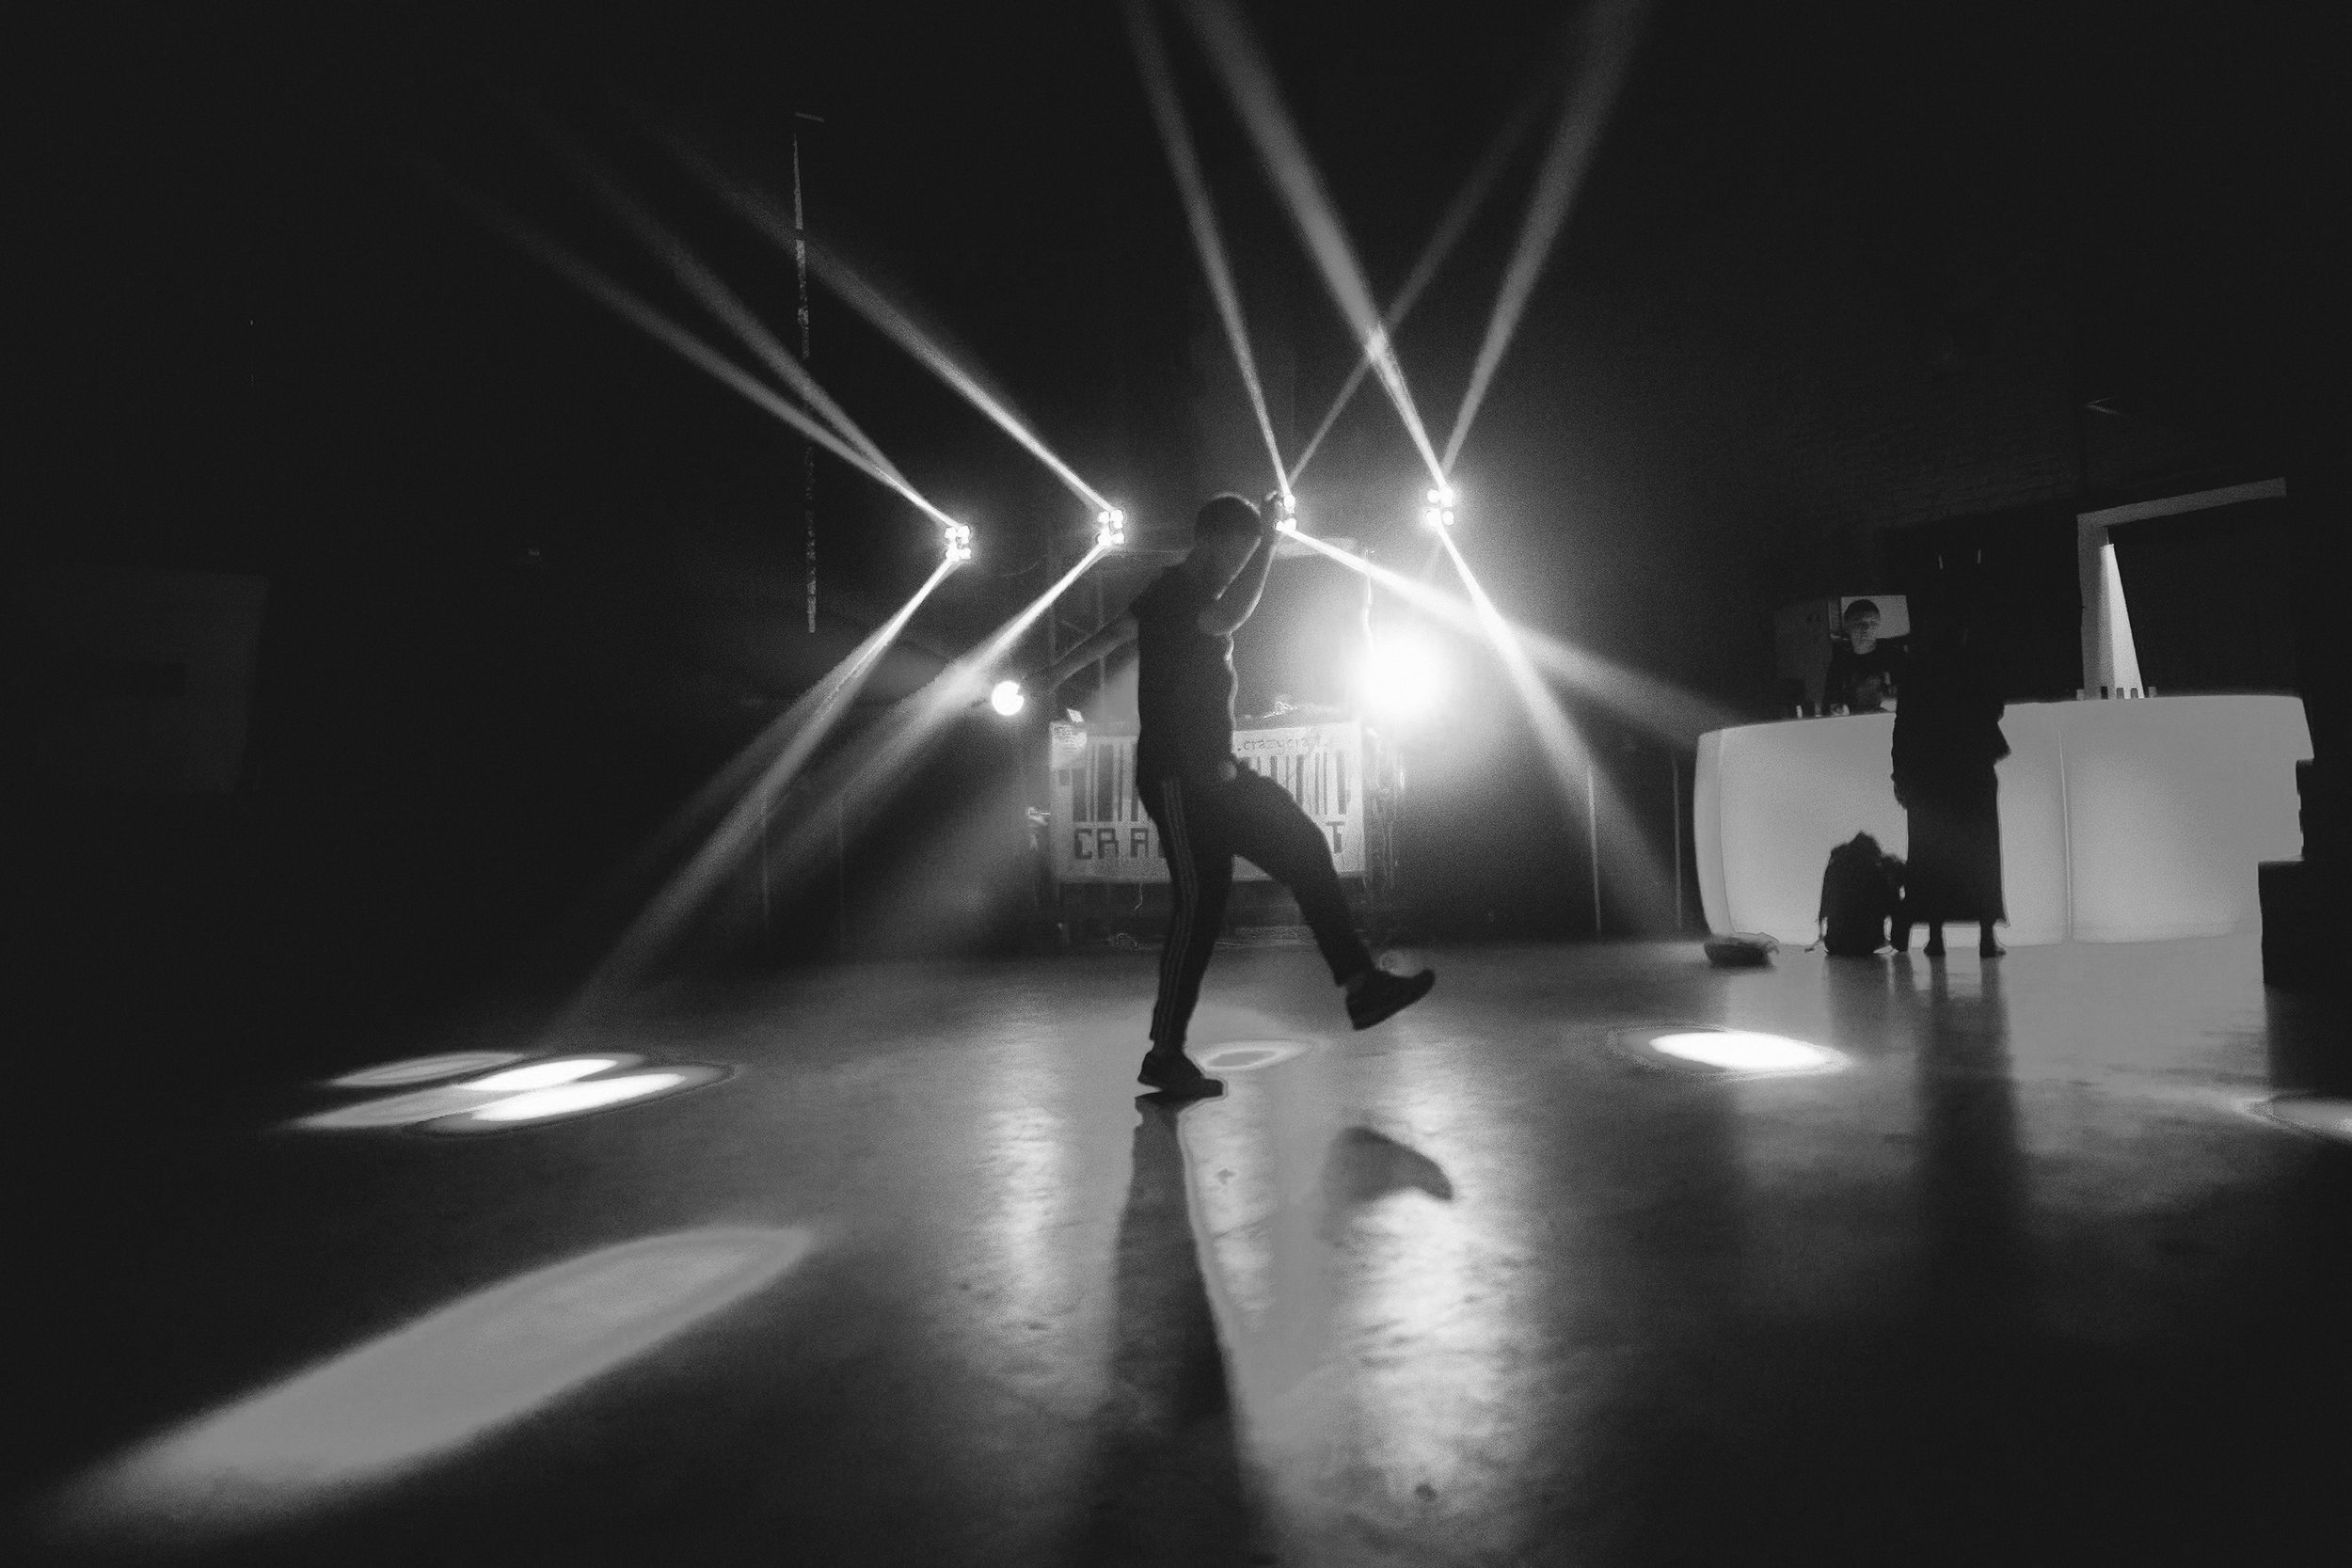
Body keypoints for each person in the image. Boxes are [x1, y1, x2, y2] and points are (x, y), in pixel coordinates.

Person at [1036, 493, 1435, 1098]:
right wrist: (1271, 542)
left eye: (1249, 555)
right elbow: (1219, 622)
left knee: (1302, 844)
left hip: (1217, 772)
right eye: (1238, 555)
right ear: (1214, 542)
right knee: (1199, 907)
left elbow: (1109, 635)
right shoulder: (1178, 594)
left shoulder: (1170, 595)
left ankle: (1361, 985)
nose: (1238, 567)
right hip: (1175, 776)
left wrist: (1057, 670)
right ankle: (1165, 1054)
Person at [1889, 595, 2007, 958]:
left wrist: (1900, 774)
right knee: (1979, 852)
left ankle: (1935, 936)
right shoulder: (1975, 661)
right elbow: (1995, 708)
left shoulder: (1917, 665)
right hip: (1971, 768)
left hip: (1927, 773)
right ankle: (1986, 935)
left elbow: (1903, 723)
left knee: (1930, 854)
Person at [1824, 598, 1903, 714]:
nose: (1867, 628)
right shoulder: (1839, 663)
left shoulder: (1895, 658)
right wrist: (1839, 709)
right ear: (1847, 625)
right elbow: (1832, 702)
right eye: (1860, 623)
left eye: (1873, 623)